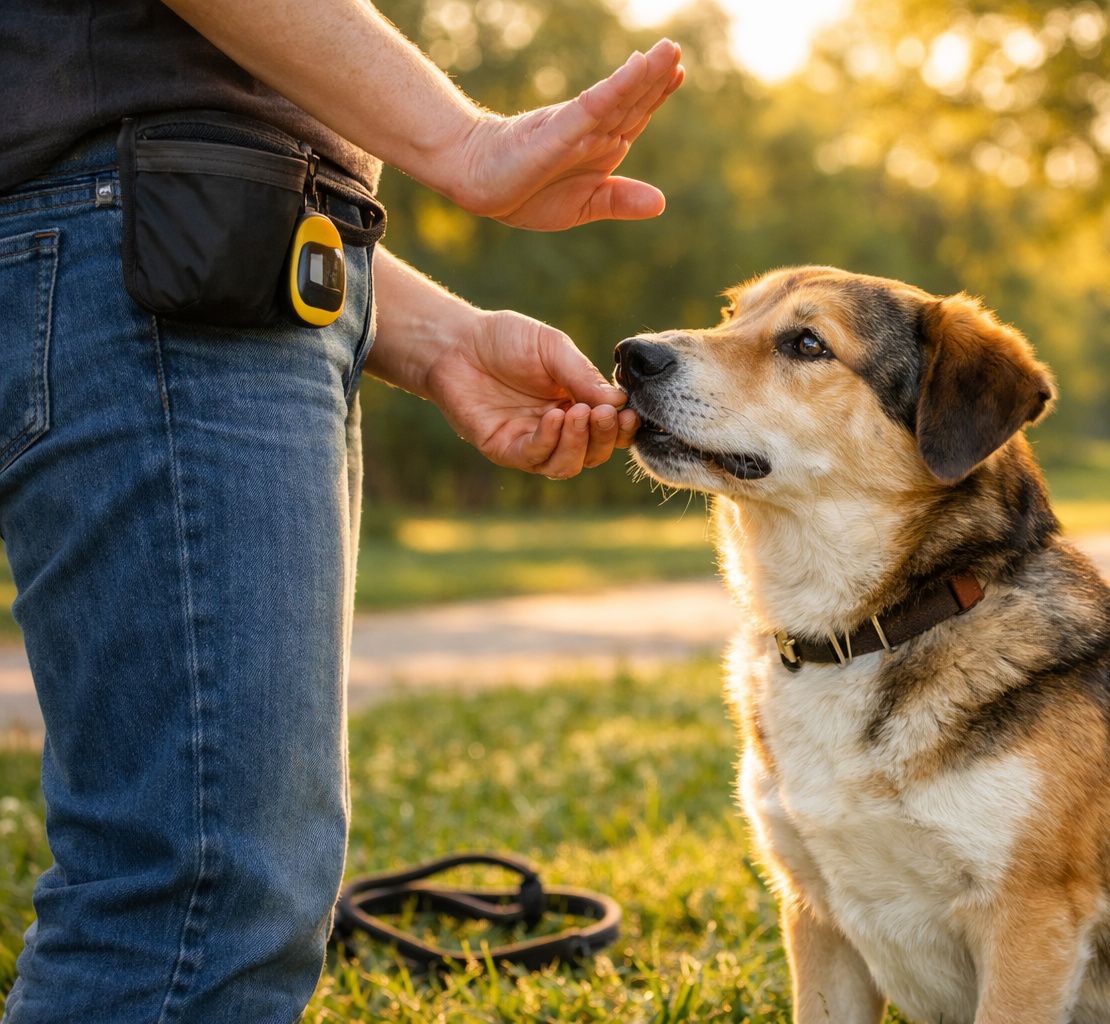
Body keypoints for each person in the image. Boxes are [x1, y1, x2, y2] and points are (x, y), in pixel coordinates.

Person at [0, 2, 683, 1020]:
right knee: (195, 900)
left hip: (180, 241)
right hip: (146, 259)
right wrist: (465, 142)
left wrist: (443, 337)